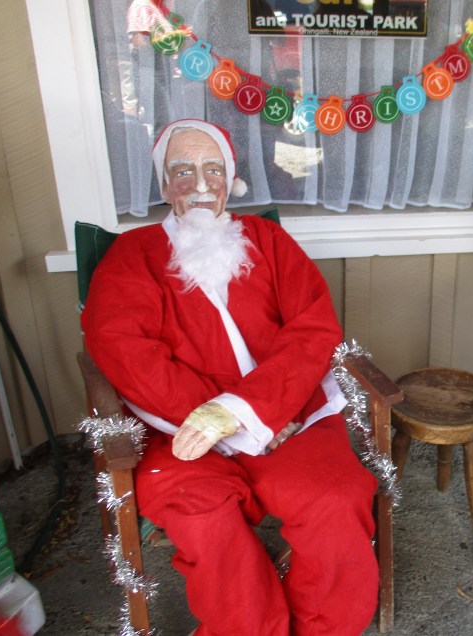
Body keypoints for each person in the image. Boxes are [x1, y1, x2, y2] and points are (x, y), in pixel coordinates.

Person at [81, 119, 379, 635]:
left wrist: (253, 409)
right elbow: (124, 349)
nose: (199, 185)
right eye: (182, 171)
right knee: (205, 519)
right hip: (180, 431)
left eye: (212, 169)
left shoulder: (267, 240)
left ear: (231, 180)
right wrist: (215, 416)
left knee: (335, 500)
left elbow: (313, 327)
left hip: (288, 416)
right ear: (163, 185)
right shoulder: (132, 256)